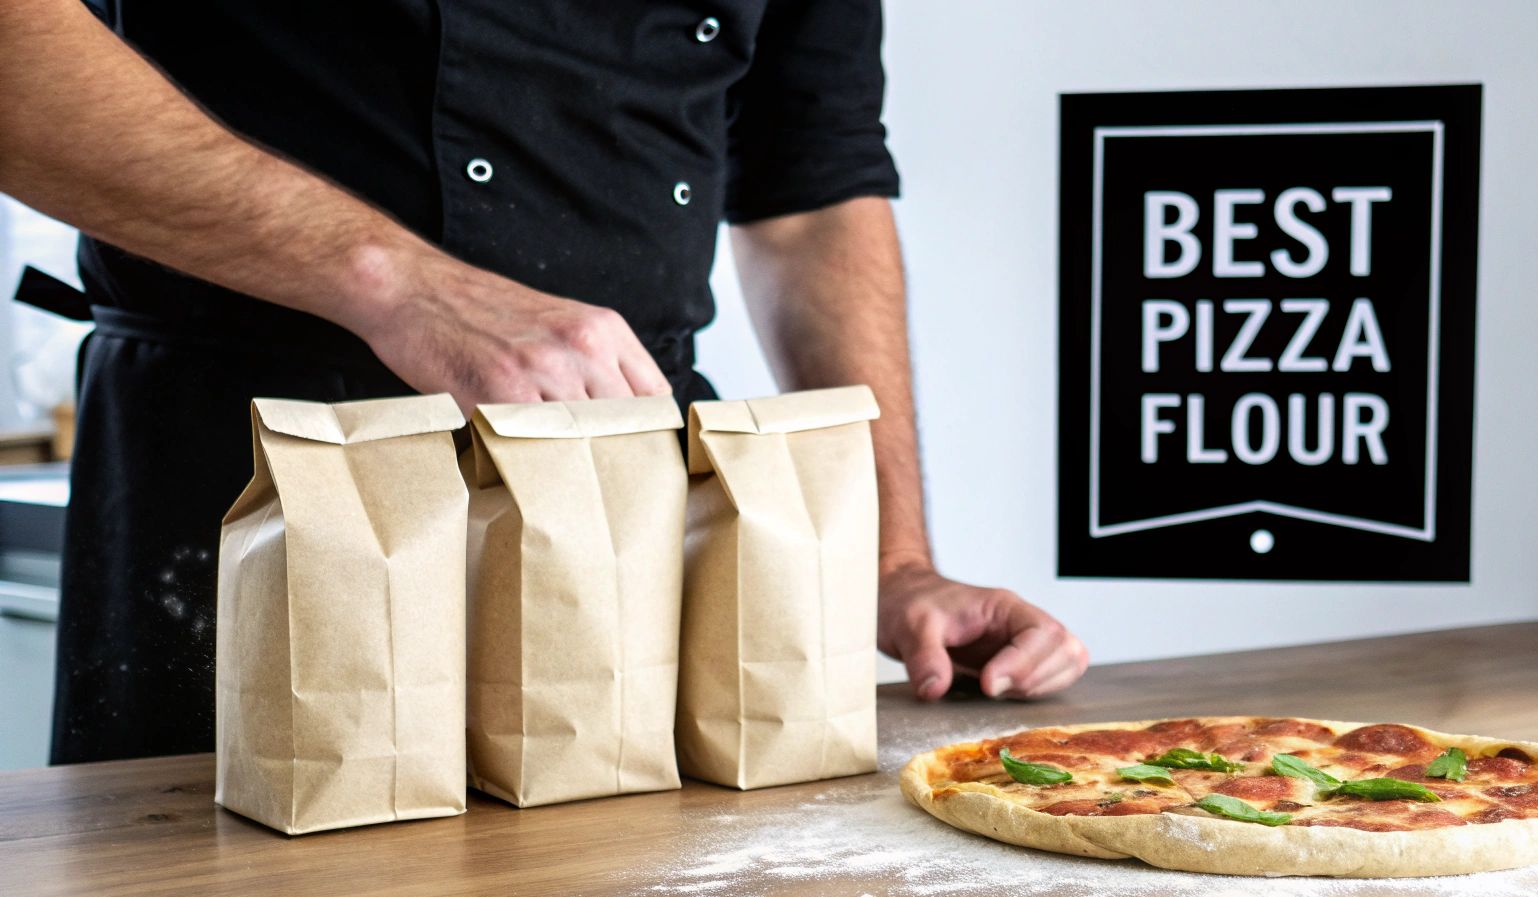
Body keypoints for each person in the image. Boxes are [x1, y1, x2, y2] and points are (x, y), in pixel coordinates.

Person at [0, 0, 1089, 764]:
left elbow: (811, 195)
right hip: (256, 471)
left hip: (631, 487)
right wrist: (394, 282)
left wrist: (895, 563)